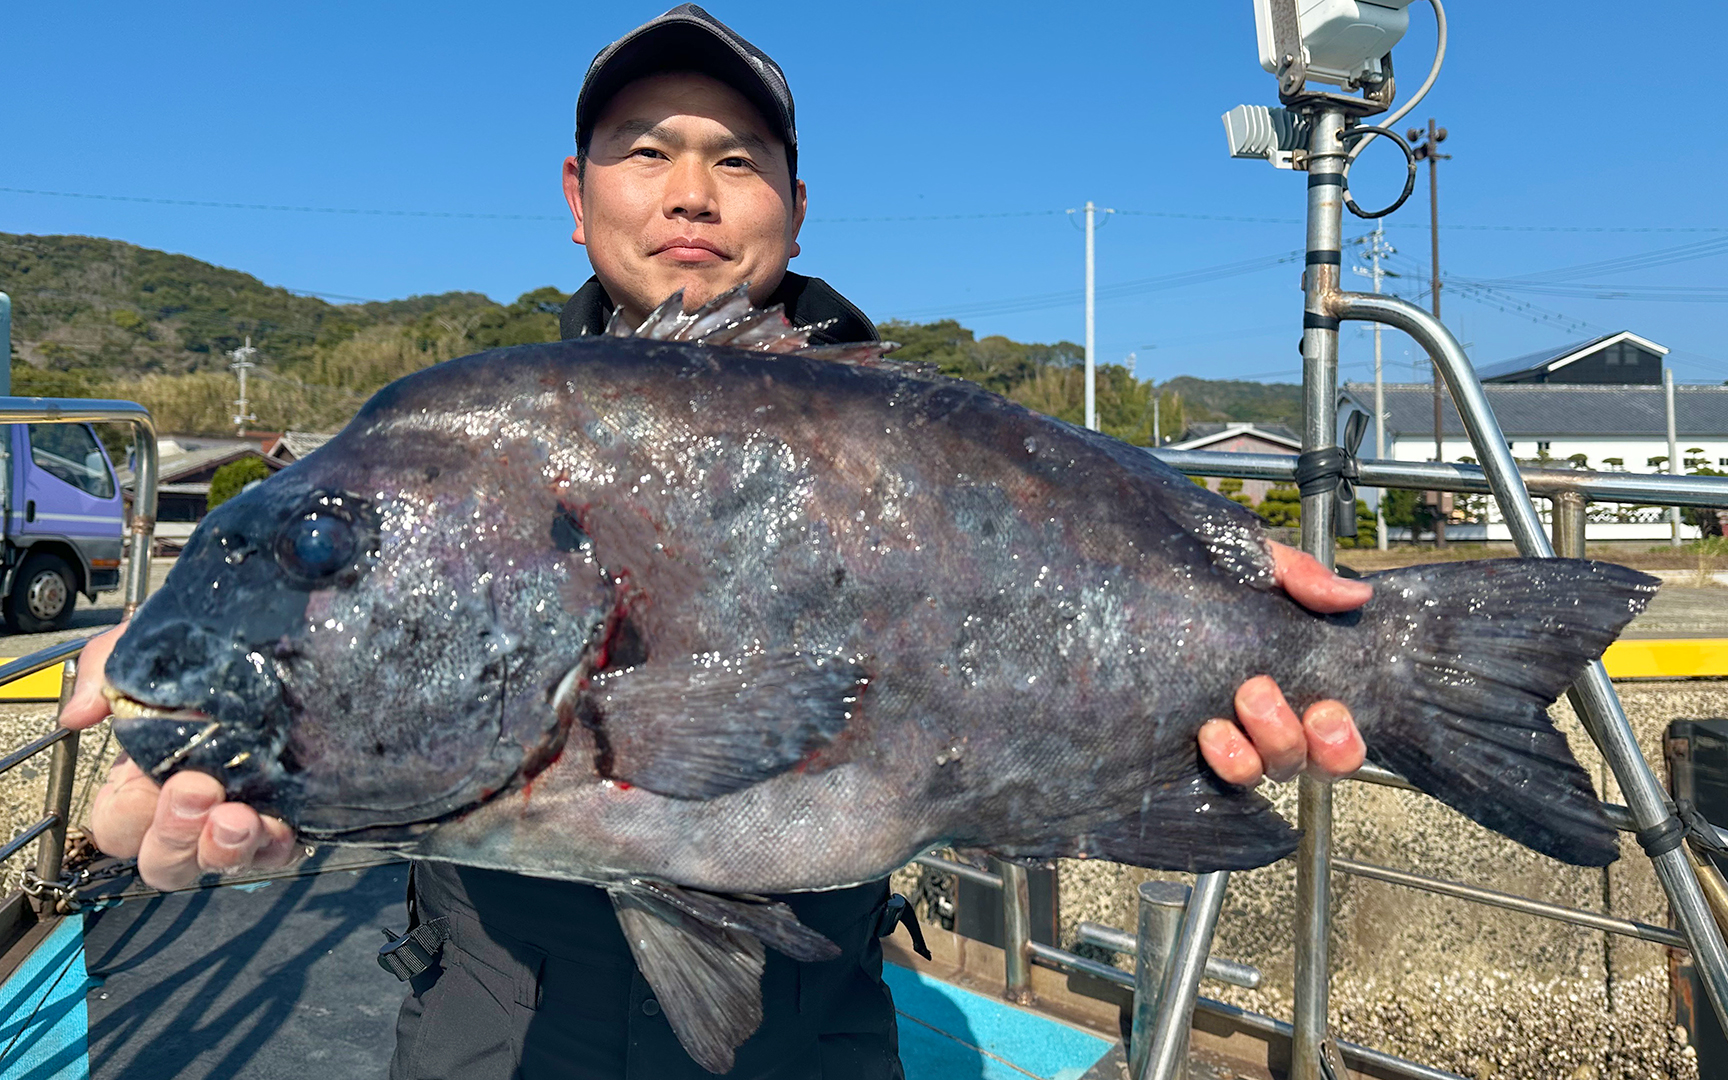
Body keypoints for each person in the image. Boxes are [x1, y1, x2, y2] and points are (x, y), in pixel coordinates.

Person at [59, 6, 1369, 1077]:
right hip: (494, 1036)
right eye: (643, 150)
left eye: (737, 159)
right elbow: (356, 687)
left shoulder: (915, 429)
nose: (691, 190)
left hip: (803, 1046)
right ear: (576, 196)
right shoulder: (466, 433)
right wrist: (187, 736)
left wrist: (1259, 620)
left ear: (796, 207)